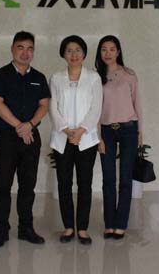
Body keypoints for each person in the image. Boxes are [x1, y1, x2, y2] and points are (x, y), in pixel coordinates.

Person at [0, 31, 50, 248]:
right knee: (4, 184)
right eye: (20, 47)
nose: (25, 52)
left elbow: (44, 105)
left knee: (27, 185)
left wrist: (29, 125)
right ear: (12, 49)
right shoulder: (0, 75)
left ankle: (26, 228)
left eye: (30, 48)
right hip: (7, 137)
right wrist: (19, 126)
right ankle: (1, 230)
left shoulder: (39, 78)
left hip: (31, 137)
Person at [49, 35, 102, 245]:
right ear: (63, 54)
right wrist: (65, 129)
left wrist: (80, 131)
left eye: (78, 50)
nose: (74, 54)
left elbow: (96, 107)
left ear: (84, 53)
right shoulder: (56, 78)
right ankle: (68, 227)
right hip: (62, 138)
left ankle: (83, 228)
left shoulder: (94, 78)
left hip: (86, 139)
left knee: (84, 184)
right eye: (69, 50)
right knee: (64, 183)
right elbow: (52, 106)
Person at [95, 35, 143, 240]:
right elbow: (95, 110)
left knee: (125, 179)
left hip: (128, 129)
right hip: (106, 130)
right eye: (104, 49)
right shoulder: (96, 77)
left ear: (118, 51)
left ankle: (121, 224)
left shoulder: (129, 75)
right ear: (99, 52)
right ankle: (109, 223)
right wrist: (98, 136)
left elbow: (137, 103)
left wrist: (140, 132)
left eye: (112, 49)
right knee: (108, 179)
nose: (108, 53)